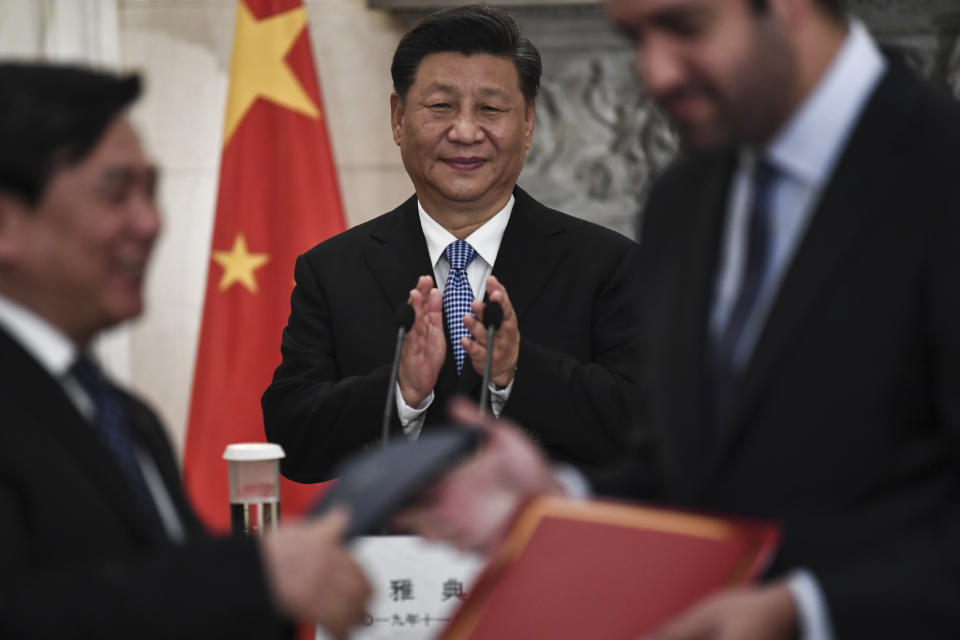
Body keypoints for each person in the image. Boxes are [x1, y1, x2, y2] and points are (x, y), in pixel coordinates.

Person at [398, 0, 960, 638]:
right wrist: (562, 497)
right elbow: (686, 467)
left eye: (686, 28)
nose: (656, 73)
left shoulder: (942, 170)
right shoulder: (682, 200)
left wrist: (806, 607)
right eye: (636, 38)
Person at [0, 62, 370, 640]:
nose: (150, 223)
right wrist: (255, 575)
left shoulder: (127, 418)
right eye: (116, 193)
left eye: (151, 191)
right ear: (7, 221)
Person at [262, 5, 643, 480]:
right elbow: (291, 440)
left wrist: (517, 371)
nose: (465, 132)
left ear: (527, 123)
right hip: (393, 547)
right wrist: (400, 391)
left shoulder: (607, 265)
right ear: (398, 119)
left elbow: (643, 425)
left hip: (547, 545)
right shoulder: (334, 270)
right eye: (441, 107)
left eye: (490, 109)